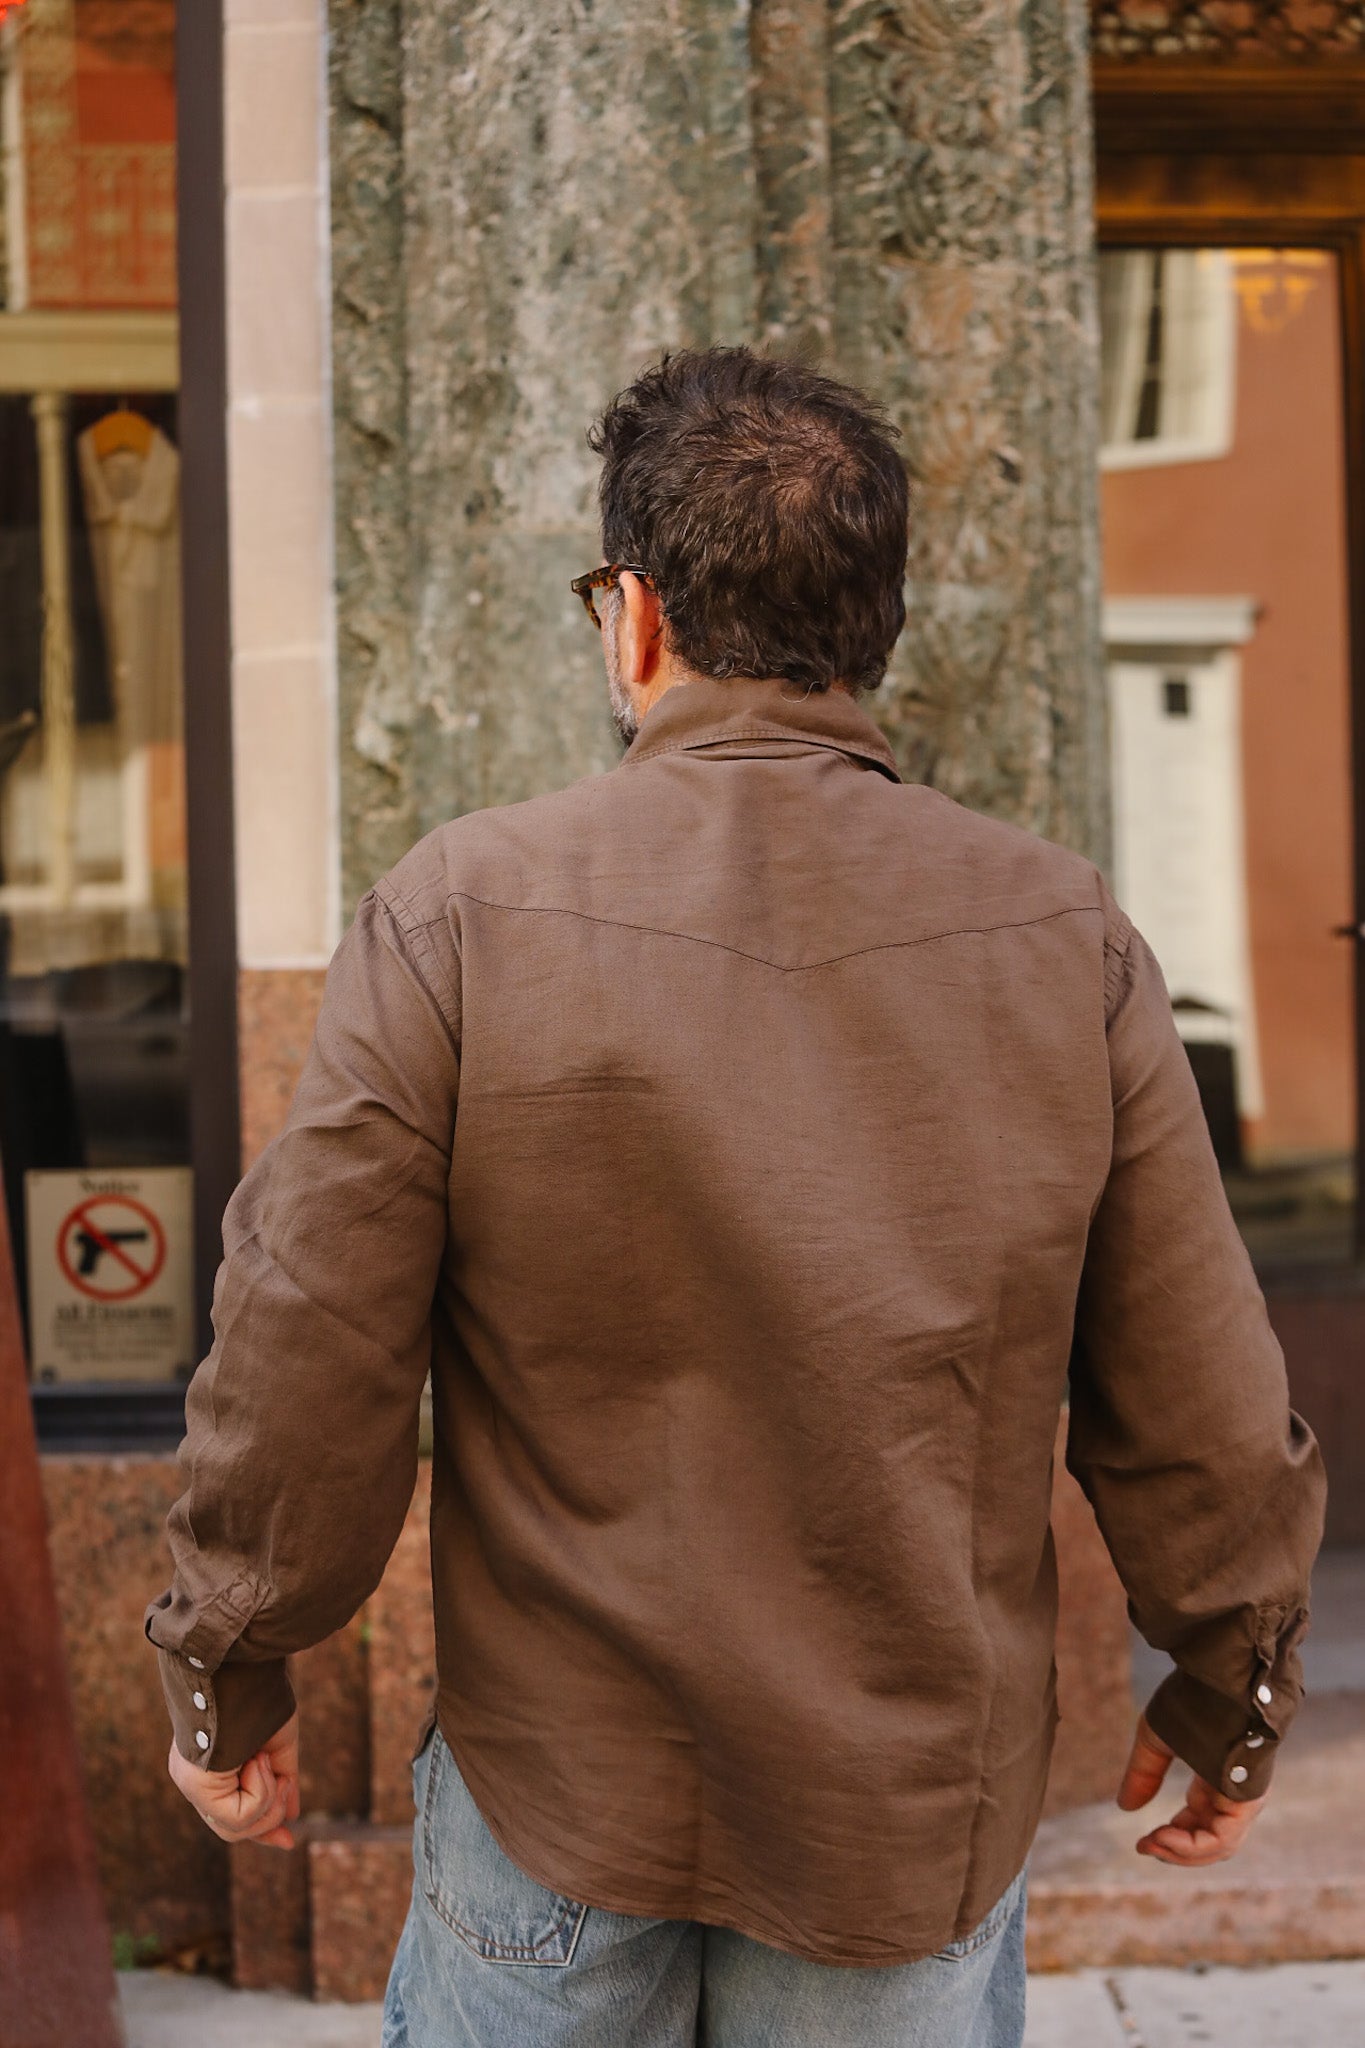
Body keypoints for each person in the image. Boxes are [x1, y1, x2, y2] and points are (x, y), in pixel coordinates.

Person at [152, 348, 1325, 2048]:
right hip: (899, 1812)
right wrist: (1235, 1678)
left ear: (632, 620)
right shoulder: (1058, 931)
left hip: (561, 1781)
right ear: (874, 627)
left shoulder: (460, 912)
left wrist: (226, 1656)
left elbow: (307, 1337)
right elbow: (1194, 1379)